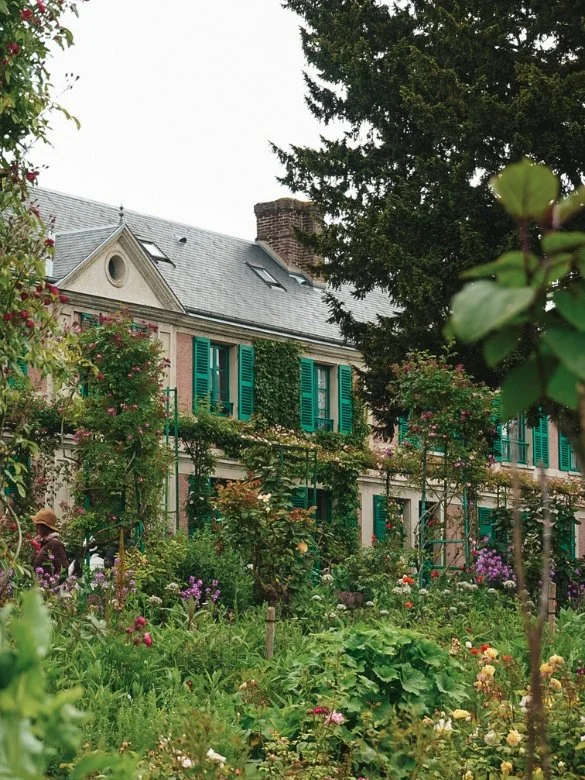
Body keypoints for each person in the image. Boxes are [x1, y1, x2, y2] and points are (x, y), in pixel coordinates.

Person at [31, 508, 69, 576]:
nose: (35, 527)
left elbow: (62, 571)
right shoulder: (43, 542)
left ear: (42, 527)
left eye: (37, 525)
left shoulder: (55, 544)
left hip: (49, 585)